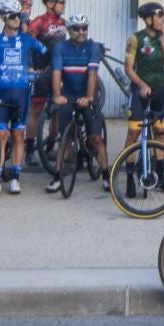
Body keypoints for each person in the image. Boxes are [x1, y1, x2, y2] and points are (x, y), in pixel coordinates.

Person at [45, 12, 109, 194]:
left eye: (84, 28)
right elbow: (56, 73)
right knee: (64, 139)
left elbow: (92, 75)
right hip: (68, 95)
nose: (81, 32)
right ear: (69, 30)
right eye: (77, 28)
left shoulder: (93, 47)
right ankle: (57, 177)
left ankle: (105, 175)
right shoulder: (60, 47)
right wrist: (57, 95)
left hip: (87, 94)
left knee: (95, 138)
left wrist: (89, 98)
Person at [0, 0, 42, 195]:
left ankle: (15, 177)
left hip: (21, 94)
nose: (17, 19)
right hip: (0, 93)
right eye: (13, 16)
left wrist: (38, 71)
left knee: (18, 135)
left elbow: (47, 52)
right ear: (3, 18)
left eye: (20, 16)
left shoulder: (26, 39)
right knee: (0, 136)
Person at [124, 2, 164, 155]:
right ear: (148, 20)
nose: (163, 19)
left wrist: (163, 43)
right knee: (134, 134)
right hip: (140, 90)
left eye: (163, 16)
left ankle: (159, 173)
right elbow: (128, 68)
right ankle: (129, 176)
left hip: (159, 89)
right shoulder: (135, 39)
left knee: (160, 132)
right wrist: (142, 85)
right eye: (160, 16)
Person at [25, 0, 67, 144]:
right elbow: (28, 45)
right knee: (36, 110)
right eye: (60, 3)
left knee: (58, 109)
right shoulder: (39, 21)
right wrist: (30, 66)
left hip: (58, 72)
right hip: (42, 72)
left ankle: (50, 143)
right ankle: (29, 147)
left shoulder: (63, 23)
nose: (63, 6)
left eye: (64, 2)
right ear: (50, 3)